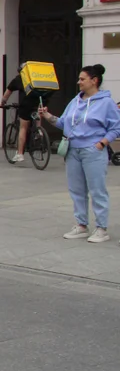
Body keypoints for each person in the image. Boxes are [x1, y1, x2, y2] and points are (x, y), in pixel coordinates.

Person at [40, 64, 120, 243]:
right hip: (72, 150)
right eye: (79, 79)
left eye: (82, 79)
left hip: (93, 151)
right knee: (76, 190)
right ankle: (82, 225)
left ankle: (101, 228)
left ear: (94, 80)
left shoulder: (106, 103)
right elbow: (63, 123)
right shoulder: (75, 101)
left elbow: (116, 128)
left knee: (97, 190)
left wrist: (101, 144)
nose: (79, 82)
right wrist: (48, 116)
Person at [0, 65, 44, 163]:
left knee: (23, 127)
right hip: (41, 101)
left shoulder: (20, 78)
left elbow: (8, 92)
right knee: (38, 110)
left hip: (26, 105)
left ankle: (20, 154)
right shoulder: (37, 76)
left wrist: (2, 103)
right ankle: (39, 131)